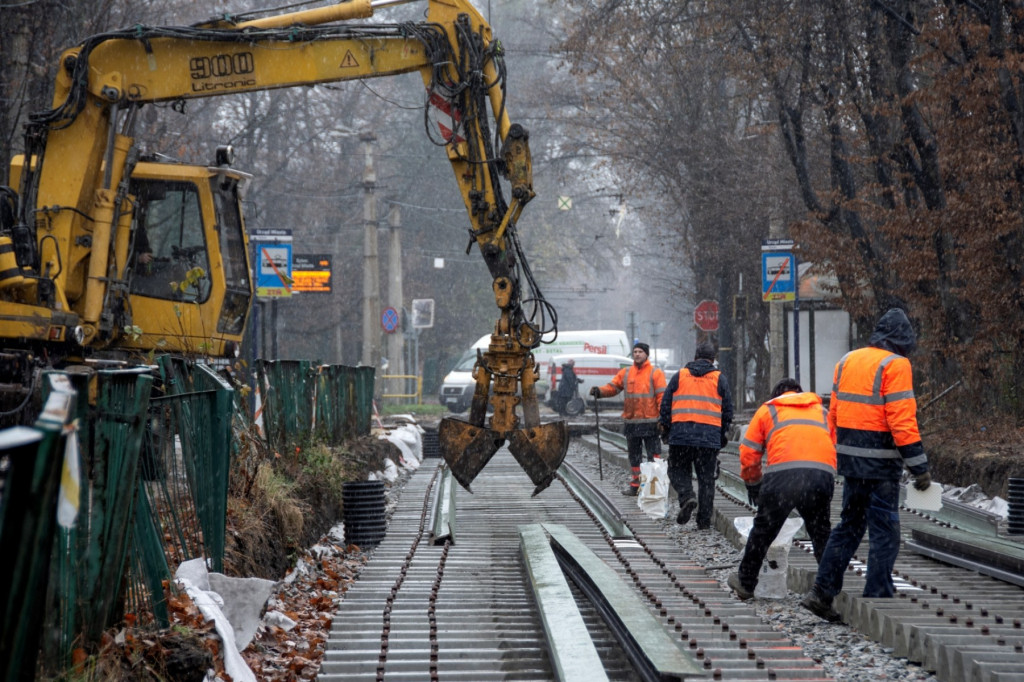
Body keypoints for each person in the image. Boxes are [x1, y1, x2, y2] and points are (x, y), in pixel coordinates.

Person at [800, 308, 932, 622]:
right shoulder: (896, 365)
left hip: (851, 463)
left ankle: (822, 591)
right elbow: (901, 421)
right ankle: (878, 598)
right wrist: (919, 467)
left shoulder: (848, 360)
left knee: (848, 527)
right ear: (902, 341)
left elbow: (833, 414)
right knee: (885, 529)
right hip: (882, 464)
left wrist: (841, 455)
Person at [726, 378, 836, 600]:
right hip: (820, 476)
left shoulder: (769, 409)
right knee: (821, 533)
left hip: (783, 478)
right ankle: (827, 591)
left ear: (776, 394)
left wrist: (753, 482)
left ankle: (746, 582)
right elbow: (832, 444)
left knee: (763, 530)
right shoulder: (822, 412)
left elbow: (748, 451)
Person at [658, 342, 733, 528]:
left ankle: (687, 496)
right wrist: (721, 434)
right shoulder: (719, 378)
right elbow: (727, 411)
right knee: (706, 480)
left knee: (676, 470)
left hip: (681, 435)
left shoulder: (680, 375)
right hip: (708, 438)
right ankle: (704, 521)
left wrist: (666, 429)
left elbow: (666, 404)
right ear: (713, 359)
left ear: (694, 357)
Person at [590, 341, 667, 495]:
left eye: (640, 352)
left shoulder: (655, 373)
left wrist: (663, 418)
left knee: (654, 456)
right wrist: (600, 391)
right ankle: (636, 485)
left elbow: (661, 396)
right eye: (635, 351)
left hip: (650, 422)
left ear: (646, 354)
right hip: (632, 422)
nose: (637, 354)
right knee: (634, 457)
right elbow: (613, 387)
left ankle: (654, 488)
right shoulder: (626, 372)